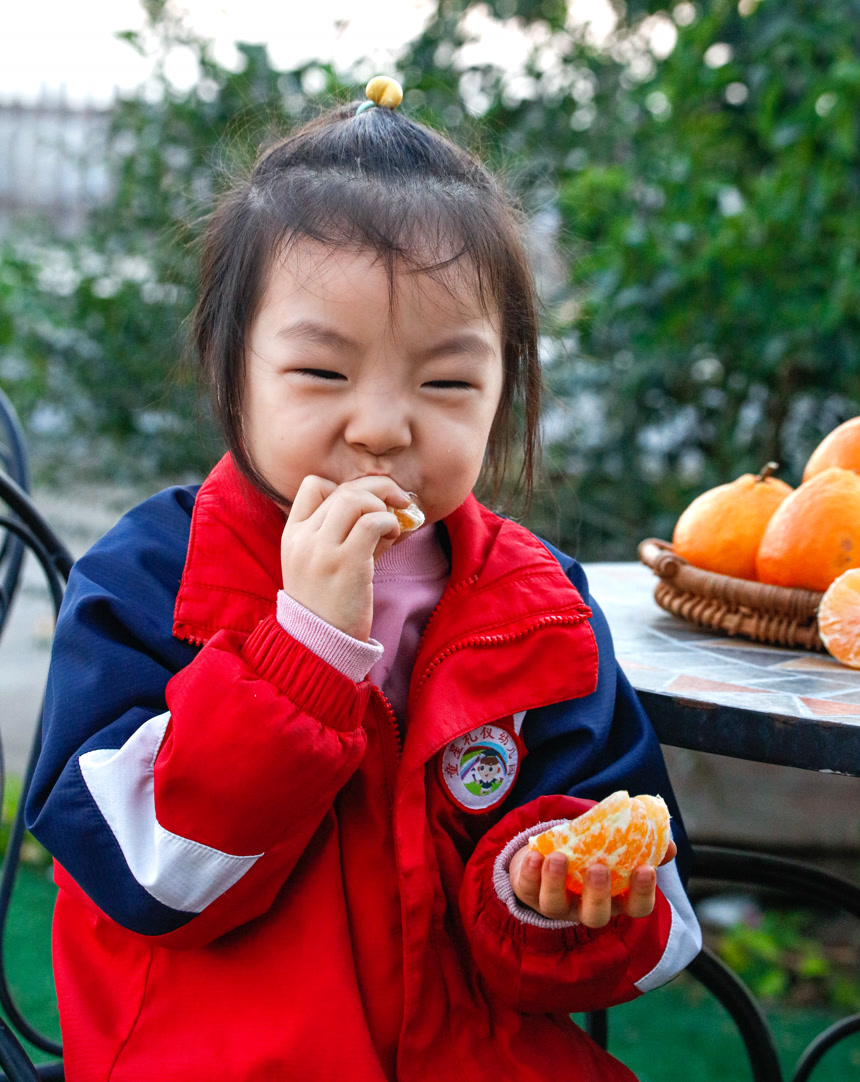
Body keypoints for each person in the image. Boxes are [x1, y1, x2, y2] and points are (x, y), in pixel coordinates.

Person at [26, 77, 701, 1082]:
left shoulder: (533, 604)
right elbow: (142, 876)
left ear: (503, 390)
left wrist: (546, 889)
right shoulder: (153, 576)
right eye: (322, 375)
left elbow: (655, 893)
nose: (382, 425)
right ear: (230, 368)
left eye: (445, 383)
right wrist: (298, 654)